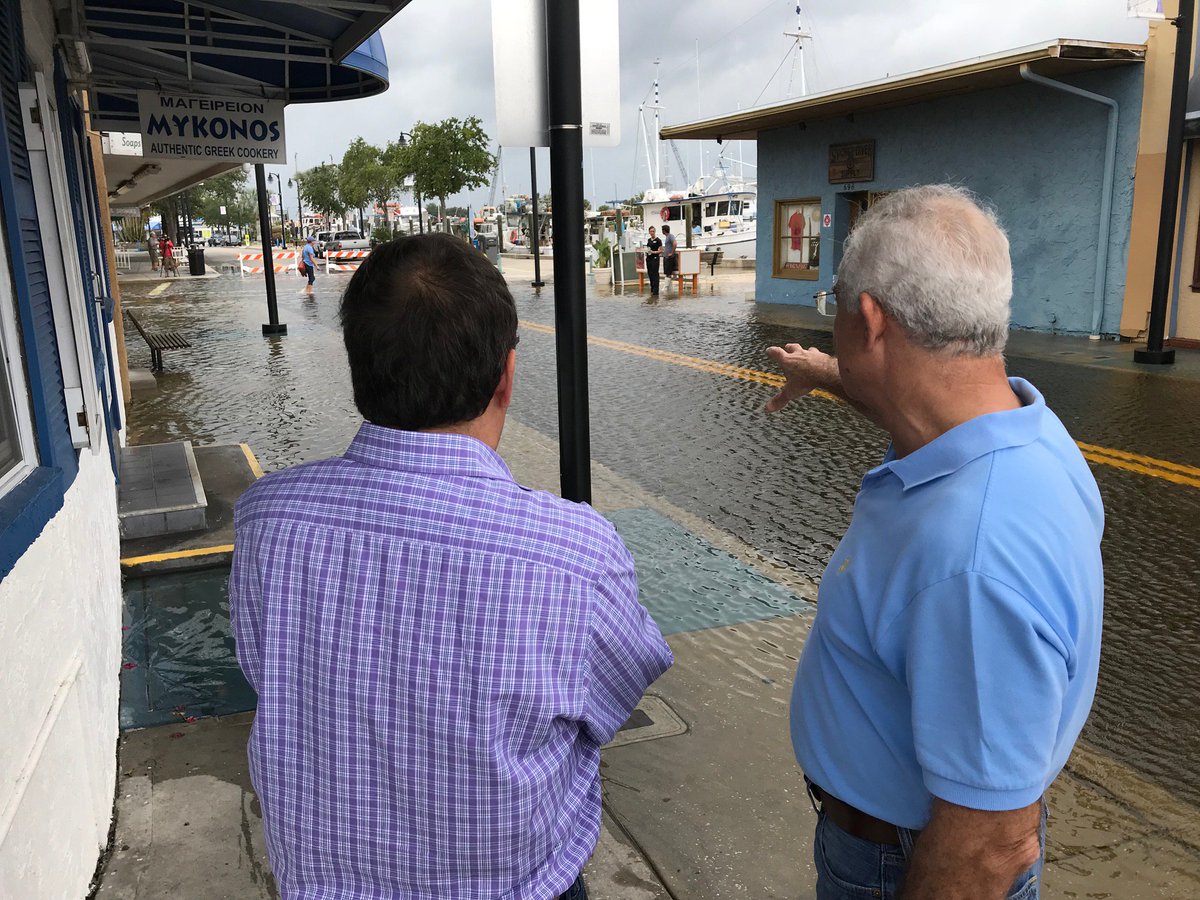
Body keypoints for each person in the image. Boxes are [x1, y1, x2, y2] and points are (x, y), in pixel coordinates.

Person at [229, 233, 673, 900]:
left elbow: (265, 667)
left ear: (359, 369)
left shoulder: (267, 518)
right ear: (507, 376)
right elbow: (612, 700)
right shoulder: (576, 554)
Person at [765, 185, 1103, 900]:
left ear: (870, 320)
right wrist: (824, 371)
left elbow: (989, 848)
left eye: (834, 306)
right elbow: (911, 396)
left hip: (900, 866)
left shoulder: (974, 560)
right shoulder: (1021, 426)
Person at [645, 225, 662, 295]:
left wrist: (653, 252)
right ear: (649, 232)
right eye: (651, 231)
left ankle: (656, 290)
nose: (652, 233)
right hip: (649, 259)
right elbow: (648, 249)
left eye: (653, 231)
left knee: (655, 274)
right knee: (650, 274)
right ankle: (652, 289)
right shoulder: (649, 240)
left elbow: (660, 250)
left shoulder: (658, 240)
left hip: (655, 259)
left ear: (655, 232)